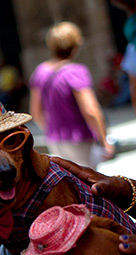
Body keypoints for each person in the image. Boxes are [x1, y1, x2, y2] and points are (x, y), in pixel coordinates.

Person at [29, 21, 114, 168]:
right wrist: (104, 139)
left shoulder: (40, 71)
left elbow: (35, 112)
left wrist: (52, 129)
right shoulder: (75, 72)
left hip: (54, 140)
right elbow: (90, 110)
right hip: (79, 139)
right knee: (88, 183)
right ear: (75, 45)